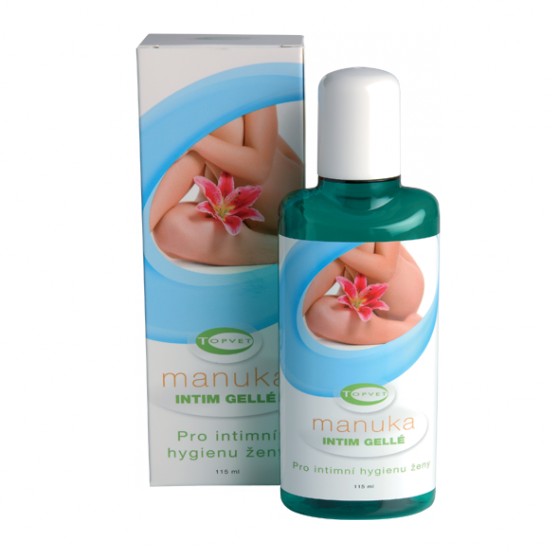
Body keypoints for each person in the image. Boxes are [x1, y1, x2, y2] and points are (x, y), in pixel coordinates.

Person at [150, 106, 303, 265]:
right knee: (170, 229)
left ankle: (141, 224)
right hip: (238, 215)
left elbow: (260, 170)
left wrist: (196, 142)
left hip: (285, 202)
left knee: (220, 124)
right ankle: (281, 249)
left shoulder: (251, 96)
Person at [304, 242, 424, 345]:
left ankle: (408, 329)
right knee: (319, 314)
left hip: (400, 291)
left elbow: (386, 271)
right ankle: (399, 329)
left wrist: (339, 252)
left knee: (357, 240)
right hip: (361, 299)